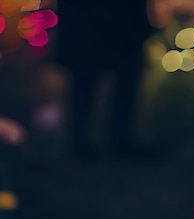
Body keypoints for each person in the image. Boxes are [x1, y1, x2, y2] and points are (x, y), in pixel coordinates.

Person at [55, 0, 154, 159]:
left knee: (91, 78)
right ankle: (94, 142)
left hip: (96, 17)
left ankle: (90, 142)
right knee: (90, 77)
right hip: (96, 16)